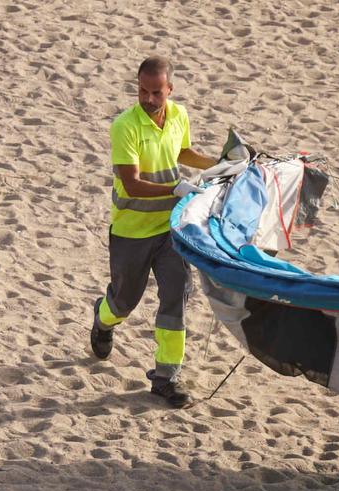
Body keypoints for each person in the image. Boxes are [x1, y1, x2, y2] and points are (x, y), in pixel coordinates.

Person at [89, 56, 221, 408]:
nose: (148, 99)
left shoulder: (178, 115)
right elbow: (131, 184)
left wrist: (220, 163)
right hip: (132, 230)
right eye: (142, 91)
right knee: (123, 302)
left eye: (156, 93)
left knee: (176, 294)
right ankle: (103, 320)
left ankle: (166, 377)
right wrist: (175, 189)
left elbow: (183, 152)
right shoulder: (124, 126)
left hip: (169, 230)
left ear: (170, 90)